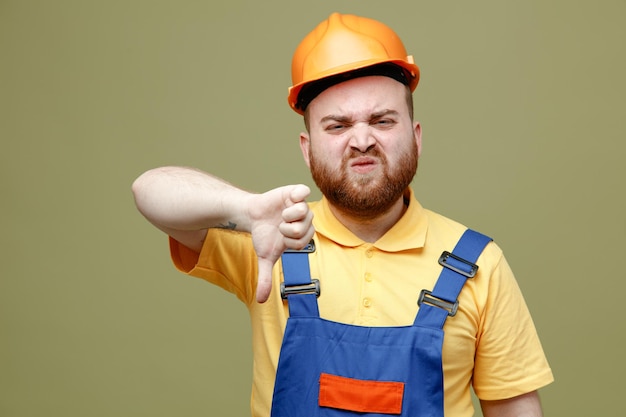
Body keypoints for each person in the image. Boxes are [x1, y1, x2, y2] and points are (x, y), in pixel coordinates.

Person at [132, 12, 553, 417]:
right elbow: (149, 190)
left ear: (416, 136)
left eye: (383, 120)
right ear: (307, 147)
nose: (362, 140)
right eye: (337, 126)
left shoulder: (479, 264)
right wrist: (243, 210)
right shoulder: (273, 240)